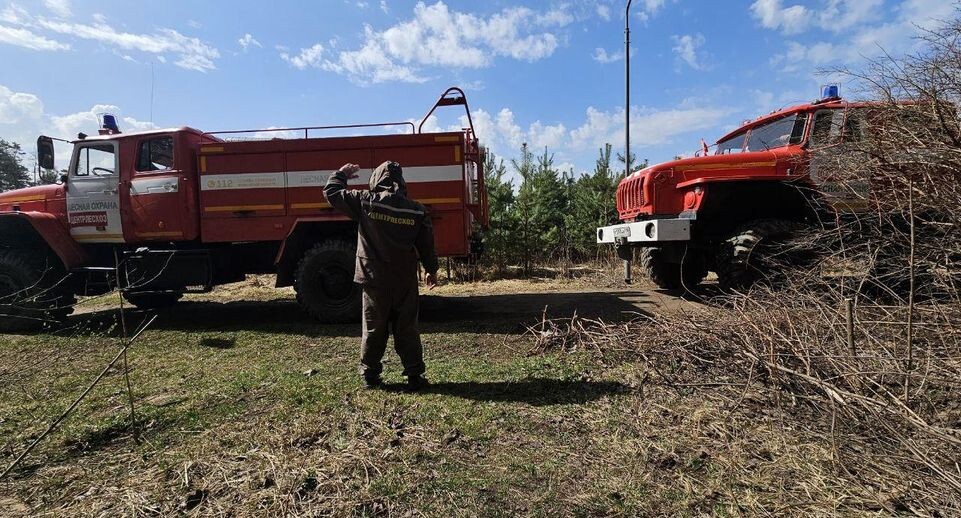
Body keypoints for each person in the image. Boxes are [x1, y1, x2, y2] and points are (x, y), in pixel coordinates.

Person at [324, 161, 438, 391]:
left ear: (376, 179)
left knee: (375, 328)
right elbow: (426, 245)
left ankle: (370, 375)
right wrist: (431, 269)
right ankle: (415, 375)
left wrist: (341, 174)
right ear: (402, 182)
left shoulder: (365, 201)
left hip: (374, 279)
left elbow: (332, 193)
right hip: (404, 280)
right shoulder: (417, 210)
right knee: (407, 328)